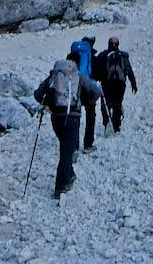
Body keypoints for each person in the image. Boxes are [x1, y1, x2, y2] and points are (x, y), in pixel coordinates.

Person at [33, 53, 102, 199]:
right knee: (66, 152)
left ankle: (68, 176)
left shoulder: (54, 75)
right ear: (76, 63)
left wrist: (48, 103)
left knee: (65, 147)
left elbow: (38, 94)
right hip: (72, 117)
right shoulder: (78, 76)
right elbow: (97, 91)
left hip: (56, 117)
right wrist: (88, 101)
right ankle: (61, 186)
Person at [98, 36, 138, 134]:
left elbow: (97, 69)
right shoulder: (123, 56)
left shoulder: (103, 55)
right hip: (120, 84)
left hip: (106, 83)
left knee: (105, 104)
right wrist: (133, 84)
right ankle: (116, 126)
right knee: (117, 104)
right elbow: (129, 70)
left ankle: (107, 123)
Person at [71, 36, 100, 151]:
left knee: (75, 117)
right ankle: (88, 145)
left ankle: (74, 146)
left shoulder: (72, 54)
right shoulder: (91, 57)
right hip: (88, 89)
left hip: (75, 88)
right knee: (90, 117)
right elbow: (97, 73)